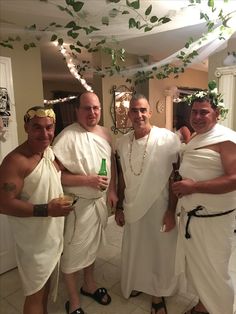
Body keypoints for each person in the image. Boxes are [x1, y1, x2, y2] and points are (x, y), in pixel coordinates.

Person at [0, 106, 74, 314]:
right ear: (26, 128)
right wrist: (47, 210)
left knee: (45, 284)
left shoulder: (47, 153)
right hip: (32, 241)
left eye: (49, 127)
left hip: (50, 236)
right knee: (34, 292)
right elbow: (3, 203)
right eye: (37, 128)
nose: (44, 133)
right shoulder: (15, 161)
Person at [172, 82, 236, 314]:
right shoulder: (196, 139)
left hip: (214, 220)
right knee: (199, 268)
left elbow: (234, 179)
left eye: (204, 112)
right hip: (194, 219)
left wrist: (194, 187)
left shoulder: (226, 139)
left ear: (216, 114)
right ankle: (203, 306)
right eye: (194, 112)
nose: (197, 117)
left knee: (216, 270)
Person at [115, 93, 182, 314]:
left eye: (143, 110)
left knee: (160, 250)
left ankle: (157, 292)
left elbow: (175, 177)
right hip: (133, 204)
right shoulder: (123, 142)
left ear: (150, 112)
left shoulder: (167, 139)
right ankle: (141, 282)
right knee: (138, 248)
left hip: (160, 205)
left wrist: (172, 210)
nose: (139, 114)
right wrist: (120, 206)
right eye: (134, 110)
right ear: (129, 114)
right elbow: (123, 176)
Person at [53, 91, 118, 314]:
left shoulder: (106, 134)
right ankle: (74, 302)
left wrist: (112, 190)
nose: (92, 112)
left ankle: (88, 285)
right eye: (87, 108)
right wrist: (87, 180)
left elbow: (112, 166)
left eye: (96, 108)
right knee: (72, 253)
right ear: (77, 110)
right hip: (77, 206)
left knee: (91, 249)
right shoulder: (66, 136)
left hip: (98, 203)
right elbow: (54, 176)